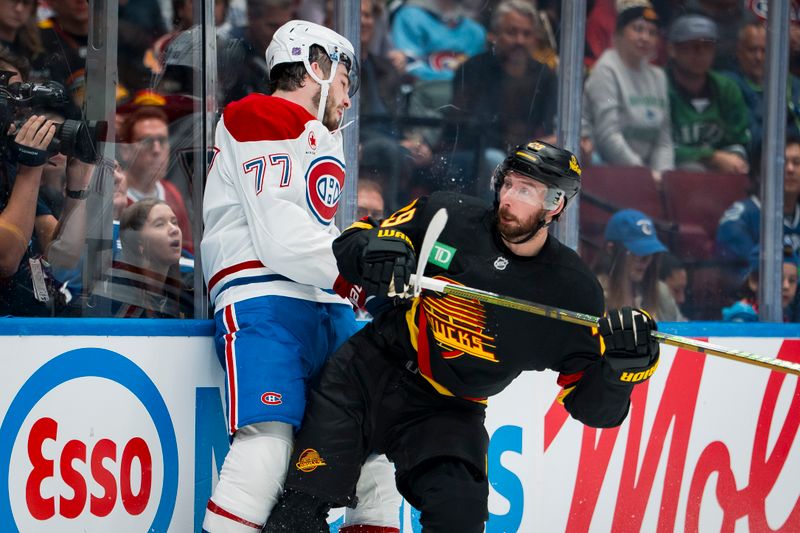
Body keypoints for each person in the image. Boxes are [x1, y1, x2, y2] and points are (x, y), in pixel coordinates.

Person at [264, 141, 661, 532]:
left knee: (460, 517)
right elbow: (352, 240)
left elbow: (594, 410)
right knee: (299, 508)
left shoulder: (572, 291)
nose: (508, 197)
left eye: (525, 190)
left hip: (448, 410)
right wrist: (375, 249)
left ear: (555, 205)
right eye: (507, 183)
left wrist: (620, 372)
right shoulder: (446, 214)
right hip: (367, 372)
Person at [200, 20, 400, 533]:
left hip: (326, 304)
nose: (348, 101)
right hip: (264, 297)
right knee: (267, 444)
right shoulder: (259, 113)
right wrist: (359, 276)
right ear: (317, 64)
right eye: (344, 83)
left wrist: (368, 284)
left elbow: (313, 236)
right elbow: (282, 239)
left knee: (373, 448)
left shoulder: (318, 134)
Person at [583, 2, 674, 177]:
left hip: (646, 174)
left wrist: (663, 177)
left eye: (652, 32)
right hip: (604, 170)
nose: (645, 37)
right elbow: (607, 137)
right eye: (638, 29)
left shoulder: (658, 76)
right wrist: (645, 175)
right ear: (618, 33)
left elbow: (664, 141)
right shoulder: (606, 69)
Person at [666, 13, 750, 173]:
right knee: (692, 169)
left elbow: (739, 140)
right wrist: (711, 156)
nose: (700, 52)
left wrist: (736, 160)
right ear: (672, 49)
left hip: (720, 173)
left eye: (707, 45)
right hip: (671, 174)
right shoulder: (660, 85)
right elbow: (657, 146)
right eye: (692, 45)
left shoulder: (726, 88)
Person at [90, 198, 190, 318]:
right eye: (160, 224)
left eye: (174, 222)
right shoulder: (114, 296)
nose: (174, 230)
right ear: (139, 243)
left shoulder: (188, 294)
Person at [716, 135, 800, 268]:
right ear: (760, 172)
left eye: (797, 163)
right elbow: (749, 277)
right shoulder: (740, 219)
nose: (790, 169)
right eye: (781, 162)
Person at [595, 208, 685, 321]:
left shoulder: (661, 293)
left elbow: (683, 334)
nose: (646, 260)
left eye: (650, 252)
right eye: (637, 252)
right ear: (611, 249)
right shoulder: (595, 294)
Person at [722, 244, 800, 322]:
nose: (786, 286)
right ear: (754, 282)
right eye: (778, 279)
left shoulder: (782, 317)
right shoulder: (743, 316)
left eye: (792, 280)